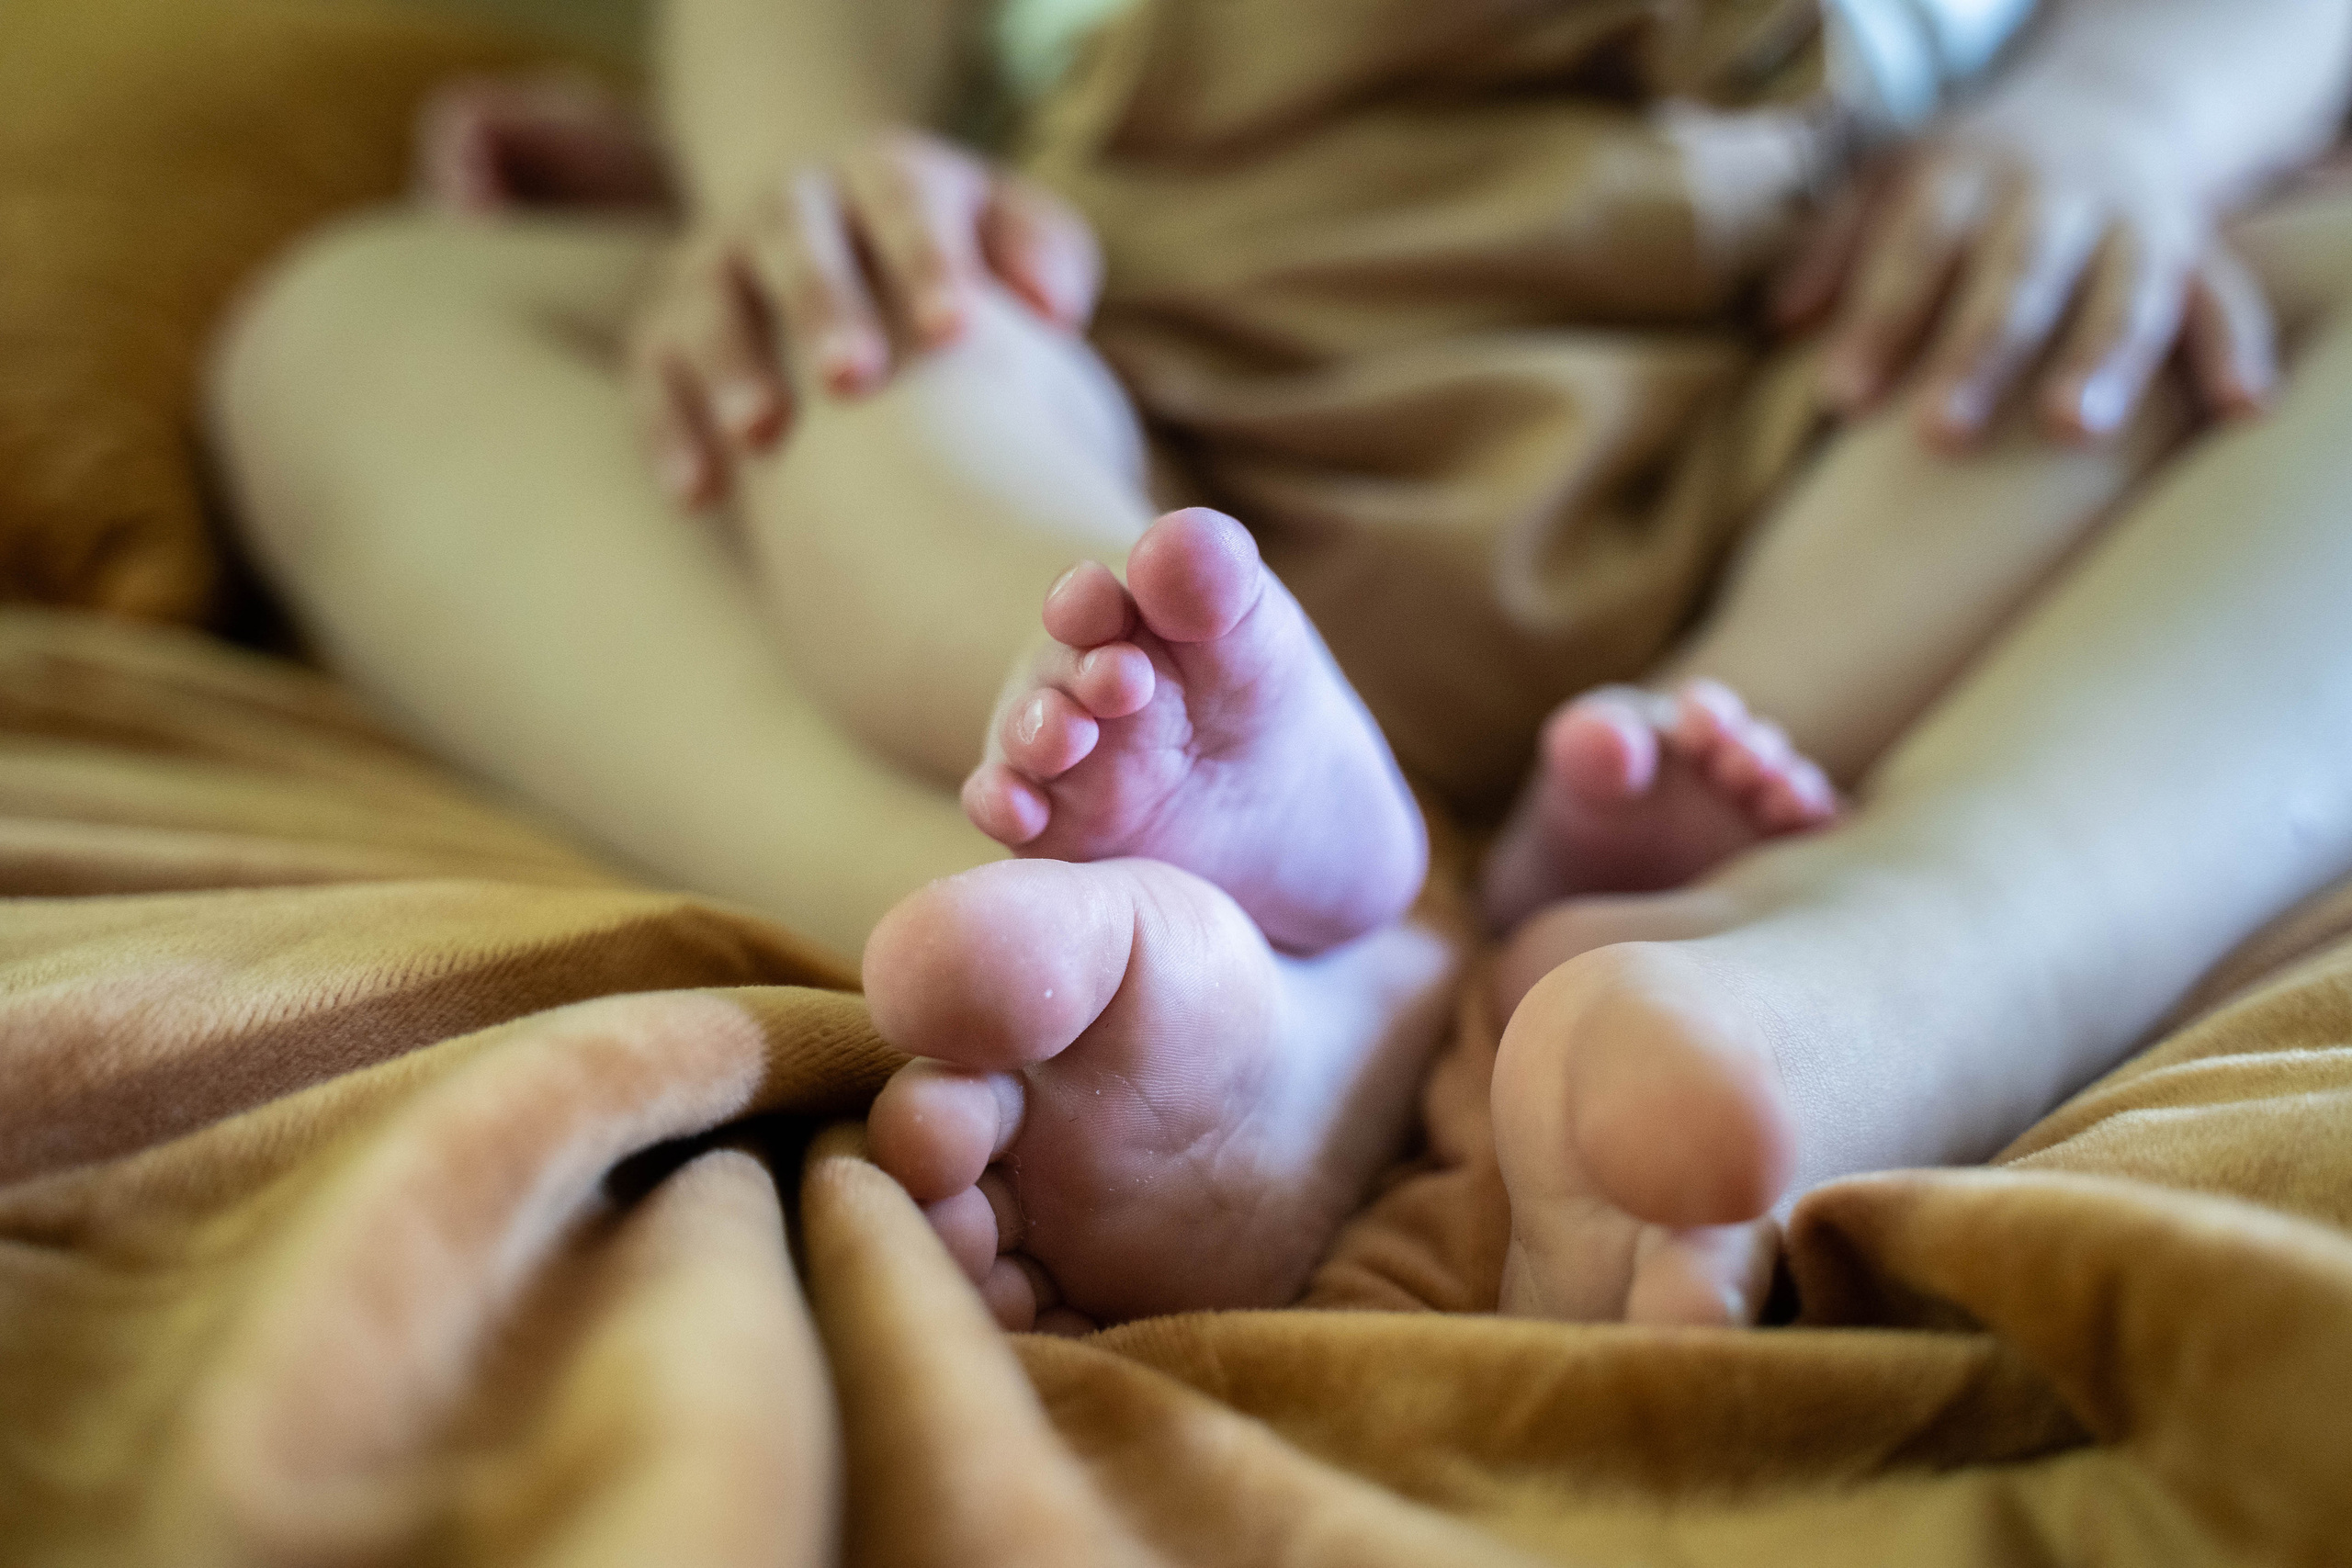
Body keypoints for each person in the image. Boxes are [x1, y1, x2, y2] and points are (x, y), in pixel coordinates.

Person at [209, 0, 2352, 1334]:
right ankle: (1146, 906)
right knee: (369, 326)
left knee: (2253, 313)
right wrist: (797, 188)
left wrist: (2113, 131)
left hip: (1830, 446)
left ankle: (1871, 937)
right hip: (1126, 434)